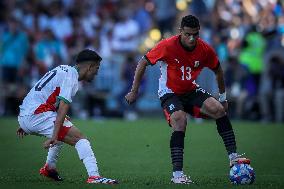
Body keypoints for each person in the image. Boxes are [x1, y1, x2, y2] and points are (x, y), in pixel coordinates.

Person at [125, 15, 251, 184]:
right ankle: (177, 175)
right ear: (180, 32)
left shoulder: (204, 49)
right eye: (187, 34)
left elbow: (218, 70)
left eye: (195, 34)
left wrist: (223, 97)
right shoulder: (167, 46)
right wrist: (134, 91)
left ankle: (234, 158)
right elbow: (143, 63)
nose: (192, 38)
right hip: (169, 92)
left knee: (219, 110)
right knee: (180, 119)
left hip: (190, 90)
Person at [17, 49, 118, 184]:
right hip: (37, 115)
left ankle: (49, 168)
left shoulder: (63, 69)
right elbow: (63, 106)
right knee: (80, 139)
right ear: (89, 67)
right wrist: (53, 134)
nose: (97, 72)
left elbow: (42, 92)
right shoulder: (71, 78)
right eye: (97, 68)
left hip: (26, 114)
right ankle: (94, 176)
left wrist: (25, 122)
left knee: (61, 127)